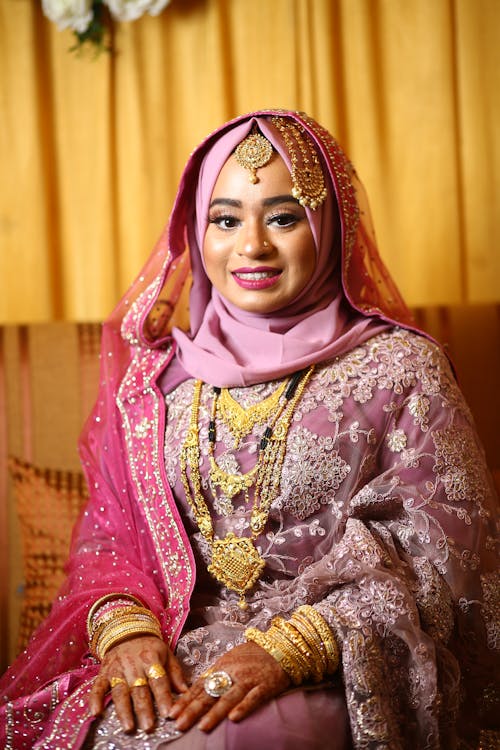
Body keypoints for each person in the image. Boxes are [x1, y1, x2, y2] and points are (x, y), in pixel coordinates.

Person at [0, 110, 498, 750]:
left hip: (336, 667)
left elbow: (445, 564)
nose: (252, 246)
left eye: (284, 218)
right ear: (196, 232)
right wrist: (127, 634)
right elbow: (107, 539)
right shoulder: (155, 384)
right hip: (175, 656)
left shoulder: (402, 369)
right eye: (225, 219)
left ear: (330, 227)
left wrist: (296, 648)